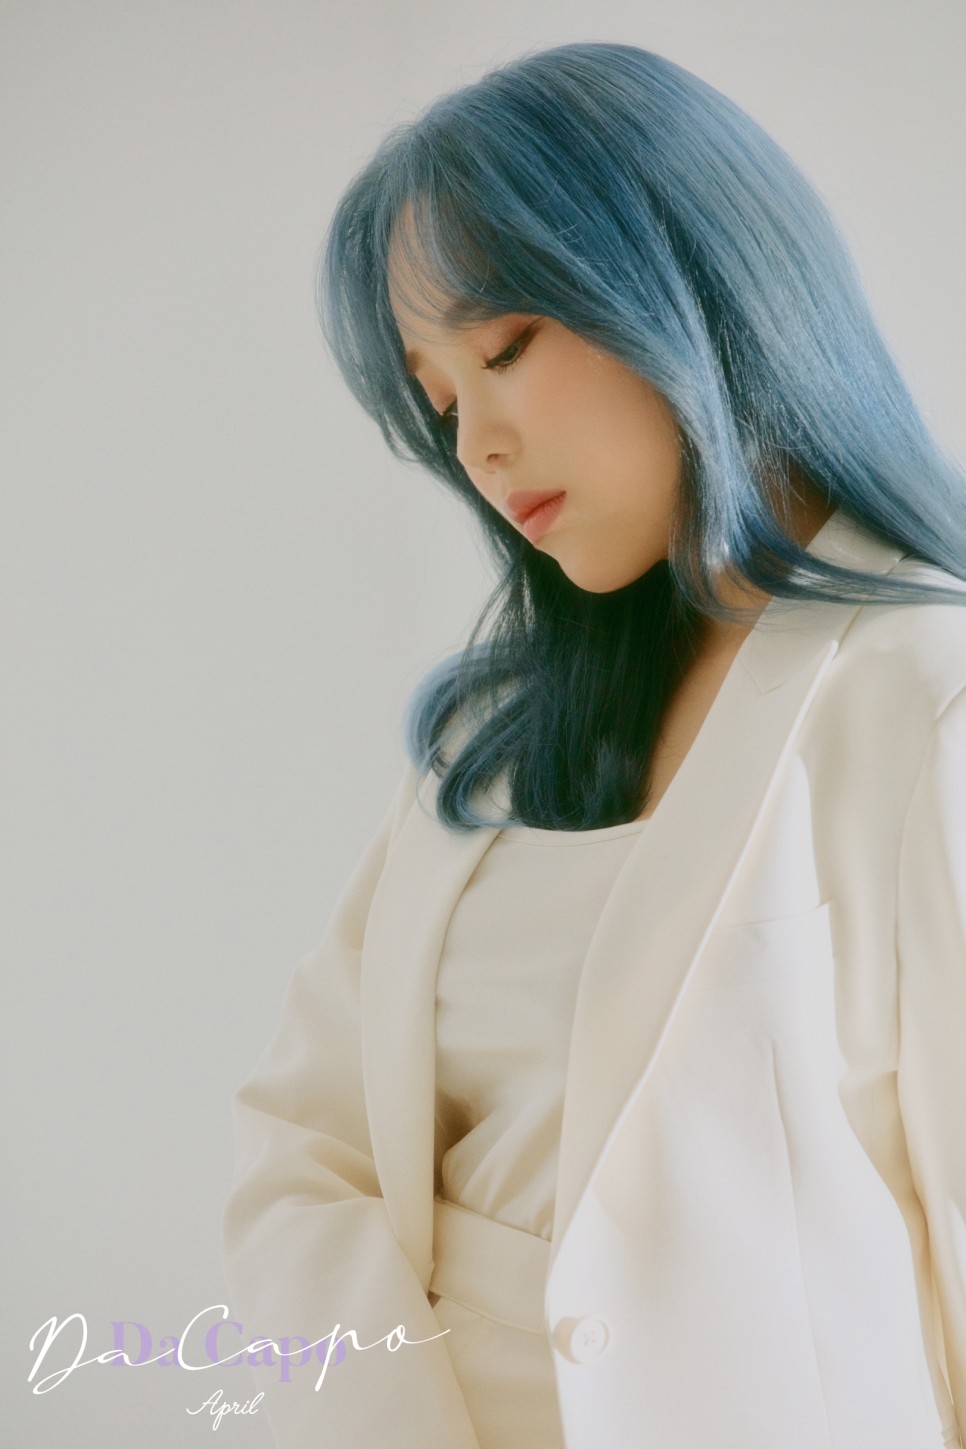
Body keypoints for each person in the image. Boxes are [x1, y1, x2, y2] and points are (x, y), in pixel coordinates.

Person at [220, 41, 966, 1449]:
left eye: (505, 349)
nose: (478, 448)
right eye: (441, 403)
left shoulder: (925, 693)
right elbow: (302, 1152)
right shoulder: (491, 748)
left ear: (688, 280)